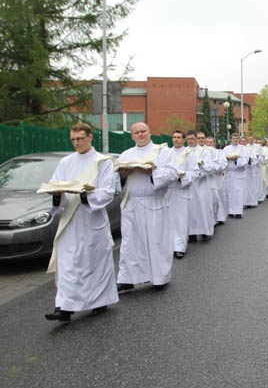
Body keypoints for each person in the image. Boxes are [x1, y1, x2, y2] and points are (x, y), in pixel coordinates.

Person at [44, 123, 119, 321]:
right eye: (73, 140)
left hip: (91, 218)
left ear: (90, 137)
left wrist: (86, 196)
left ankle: (99, 300)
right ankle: (64, 307)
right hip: (70, 219)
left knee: (93, 262)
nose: (76, 143)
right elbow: (56, 183)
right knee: (68, 264)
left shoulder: (103, 162)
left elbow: (107, 191)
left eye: (80, 138)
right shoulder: (66, 162)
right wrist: (56, 194)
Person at [116, 122, 178, 291]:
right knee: (130, 243)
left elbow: (172, 172)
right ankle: (127, 278)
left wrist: (151, 172)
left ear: (150, 133)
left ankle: (159, 277)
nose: (140, 135)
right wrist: (122, 176)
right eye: (136, 132)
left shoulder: (162, 152)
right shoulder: (126, 155)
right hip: (132, 202)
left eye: (143, 131)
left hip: (153, 202)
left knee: (156, 241)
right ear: (132, 136)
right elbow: (116, 182)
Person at [163, 130, 197, 259]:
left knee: (181, 220)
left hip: (182, 190)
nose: (176, 140)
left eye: (178, 137)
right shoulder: (166, 153)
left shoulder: (189, 154)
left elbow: (194, 172)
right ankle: (169, 245)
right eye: (174, 137)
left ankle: (180, 247)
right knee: (168, 219)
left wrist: (181, 177)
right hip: (168, 191)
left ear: (184, 140)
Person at [187, 130, 216, 241]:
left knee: (203, 206)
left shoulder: (204, 151)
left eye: (193, 139)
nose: (191, 141)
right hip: (189, 184)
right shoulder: (185, 151)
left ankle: (205, 231)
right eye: (188, 139)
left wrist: (201, 164)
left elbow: (210, 167)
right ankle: (191, 233)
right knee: (191, 208)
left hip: (202, 183)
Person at [205, 136, 227, 226]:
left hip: (217, 178)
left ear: (213, 143)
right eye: (208, 142)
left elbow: (223, 164)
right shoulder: (202, 152)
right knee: (210, 199)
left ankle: (220, 216)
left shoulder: (219, 153)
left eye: (211, 142)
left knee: (219, 197)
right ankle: (212, 218)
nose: (209, 144)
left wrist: (213, 168)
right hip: (207, 179)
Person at [222, 134, 246, 218]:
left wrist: (236, 159)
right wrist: (227, 159)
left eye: (237, 138)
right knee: (230, 192)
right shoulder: (226, 149)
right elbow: (221, 159)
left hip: (238, 173)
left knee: (238, 193)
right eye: (233, 138)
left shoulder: (242, 148)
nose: (235, 140)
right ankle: (231, 211)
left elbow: (245, 160)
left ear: (239, 139)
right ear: (231, 139)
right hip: (229, 173)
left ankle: (238, 211)